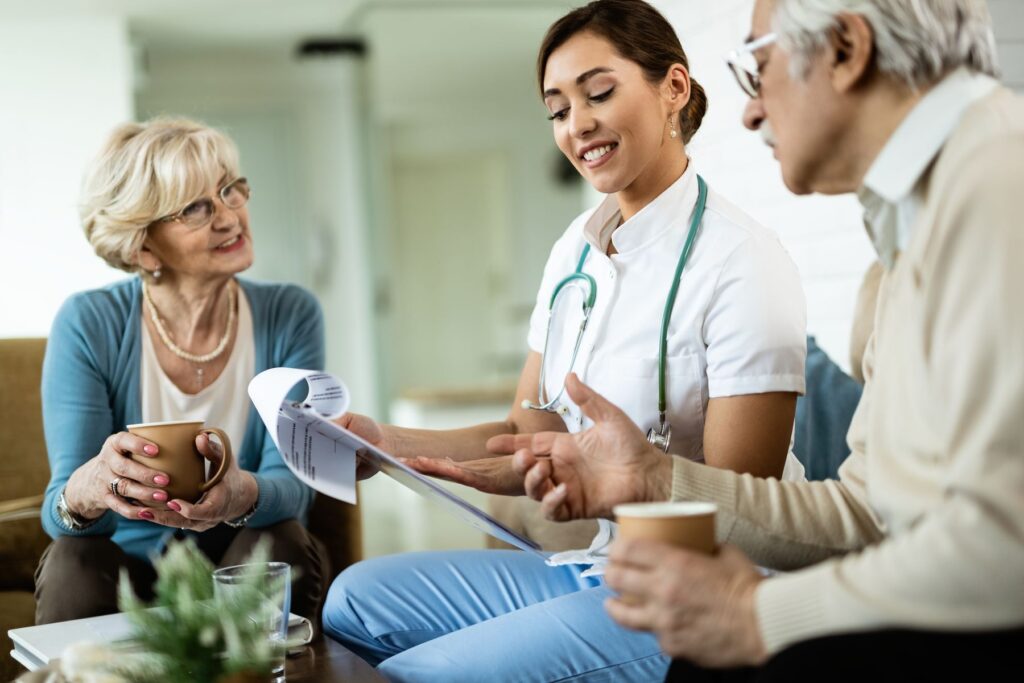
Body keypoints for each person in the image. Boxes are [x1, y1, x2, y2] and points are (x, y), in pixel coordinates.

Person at [513, 0, 1024, 678]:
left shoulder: (996, 186)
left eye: (758, 66)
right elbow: (866, 512)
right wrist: (655, 476)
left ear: (845, 48)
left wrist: (759, 615)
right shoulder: (915, 227)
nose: (750, 111)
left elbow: (1002, 547)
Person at [322, 1, 808, 679]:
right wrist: (382, 442)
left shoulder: (743, 260)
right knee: (353, 602)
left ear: (673, 87)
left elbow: (738, 507)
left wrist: (627, 477)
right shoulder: (571, 255)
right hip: (598, 565)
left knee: (424, 671)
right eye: (556, 109)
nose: (577, 124)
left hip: (693, 589)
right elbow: (528, 428)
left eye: (599, 93)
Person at [36, 118, 330, 629]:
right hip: (128, 563)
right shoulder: (88, 323)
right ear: (144, 247)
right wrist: (86, 492)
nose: (230, 216)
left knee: (280, 540)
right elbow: (59, 515)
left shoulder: (290, 313)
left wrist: (238, 494)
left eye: (230, 190)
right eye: (197, 207)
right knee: (71, 561)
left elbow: (297, 486)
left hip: (240, 551)